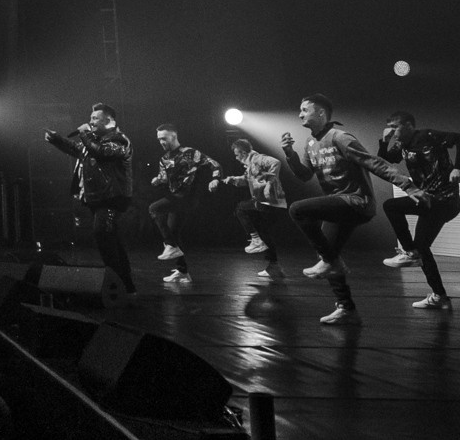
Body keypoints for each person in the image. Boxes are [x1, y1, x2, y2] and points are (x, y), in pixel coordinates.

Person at [278, 95, 395, 325]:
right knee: (325, 255)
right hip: (337, 204)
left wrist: (408, 185)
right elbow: (304, 175)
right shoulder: (310, 143)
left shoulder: (340, 137)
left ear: (321, 112)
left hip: (357, 202)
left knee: (298, 210)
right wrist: (290, 153)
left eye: (305, 110)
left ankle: (332, 261)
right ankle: (346, 308)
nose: (300, 114)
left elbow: (372, 162)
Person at [377, 114, 460, 311]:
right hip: (428, 200)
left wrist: (459, 168)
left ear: (409, 125)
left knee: (391, 206)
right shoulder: (401, 145)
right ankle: (439, 296)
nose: (392, 131)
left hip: (444, 200)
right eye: (389, 127)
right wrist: (384, 143)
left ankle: (410, 253)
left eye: (395, 126)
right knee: (422, 248)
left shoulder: (428, 136)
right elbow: (386, 160)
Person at [45, 103, 135, 296]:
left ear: (109, 121)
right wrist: (57, 140)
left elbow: (100, 152)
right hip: (99, 197)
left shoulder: (118, 139)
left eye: (95, 118)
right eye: (91, 118)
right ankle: (126, 285)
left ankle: (117, 283)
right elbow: (78, 149)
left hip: (112, 197)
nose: (91, 121)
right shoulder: (96, 140)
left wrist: (85, 133)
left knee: (103, 233)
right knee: (112, 239)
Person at [146, 126, 218, 284]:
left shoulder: (190, 153)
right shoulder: (164, 159)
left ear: (174, 136)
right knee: (174, 232)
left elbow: (214, 164)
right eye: (159, 139)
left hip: (187, 197)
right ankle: (182, 271)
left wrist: (215, 179)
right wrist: (158, 180)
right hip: (176, 198)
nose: (161, 142)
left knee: (154, 208)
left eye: (164, 138)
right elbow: (164, 178)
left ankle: (170, 245)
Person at [217, 134, 294, 275]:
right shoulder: (250, 165)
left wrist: (270, 181)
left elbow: (276, 162)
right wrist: (233, 179)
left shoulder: (258, 159)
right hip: (269, 202)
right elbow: (247, 180)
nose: (236, 158)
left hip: (269, 201)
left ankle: (255, 239)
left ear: (243, 153)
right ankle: (274, 266)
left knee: (241, 208)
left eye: (237, 155)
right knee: (263, 231)